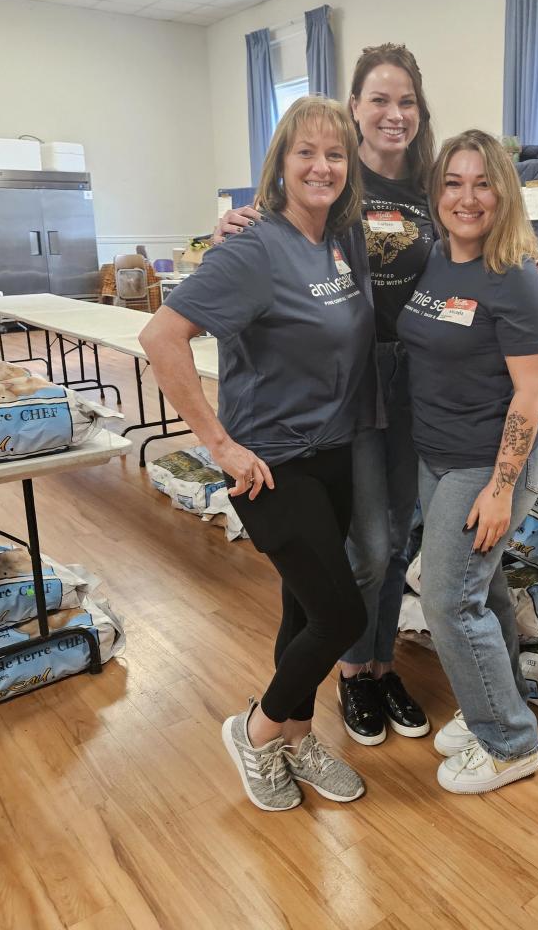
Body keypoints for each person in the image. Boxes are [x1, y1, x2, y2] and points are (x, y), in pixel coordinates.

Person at [215, 44, 538, 749]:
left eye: (405, 101)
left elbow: (483, 239)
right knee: (368, 545)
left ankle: (383, 661)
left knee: (403, 536)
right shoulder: (335, 179)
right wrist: (234, 226)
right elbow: (282, 229)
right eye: (378, 99)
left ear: (419, 111)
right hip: (353, 373)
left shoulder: (436, 185)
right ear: (354, 108)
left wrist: (526, 261)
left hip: (426, 376)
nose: (392, 114)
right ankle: (354, 671)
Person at [139, 97, 381, 812]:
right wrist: (218, 445)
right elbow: (161, 338)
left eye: (335, 154)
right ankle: (255, 730)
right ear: (280, 162)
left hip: (331, 452)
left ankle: (299, 739)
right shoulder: (251, 247)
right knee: (340, 620)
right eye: (306, 152)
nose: (321, 166)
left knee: (303, 611)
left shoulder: (338, 238)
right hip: (270, 462)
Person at [395, 130, 538, 794]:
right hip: (434, 458)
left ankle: (510, 741)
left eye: (481, 183)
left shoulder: (515, 279)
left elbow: (531, 393)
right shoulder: (429, 260)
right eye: (452, 183)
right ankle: (492, 701)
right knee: (480, 591)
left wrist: (499, 487)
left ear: (503, 192)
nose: (466, 197)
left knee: (445, 600)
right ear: (435, 194)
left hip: (484, 465)